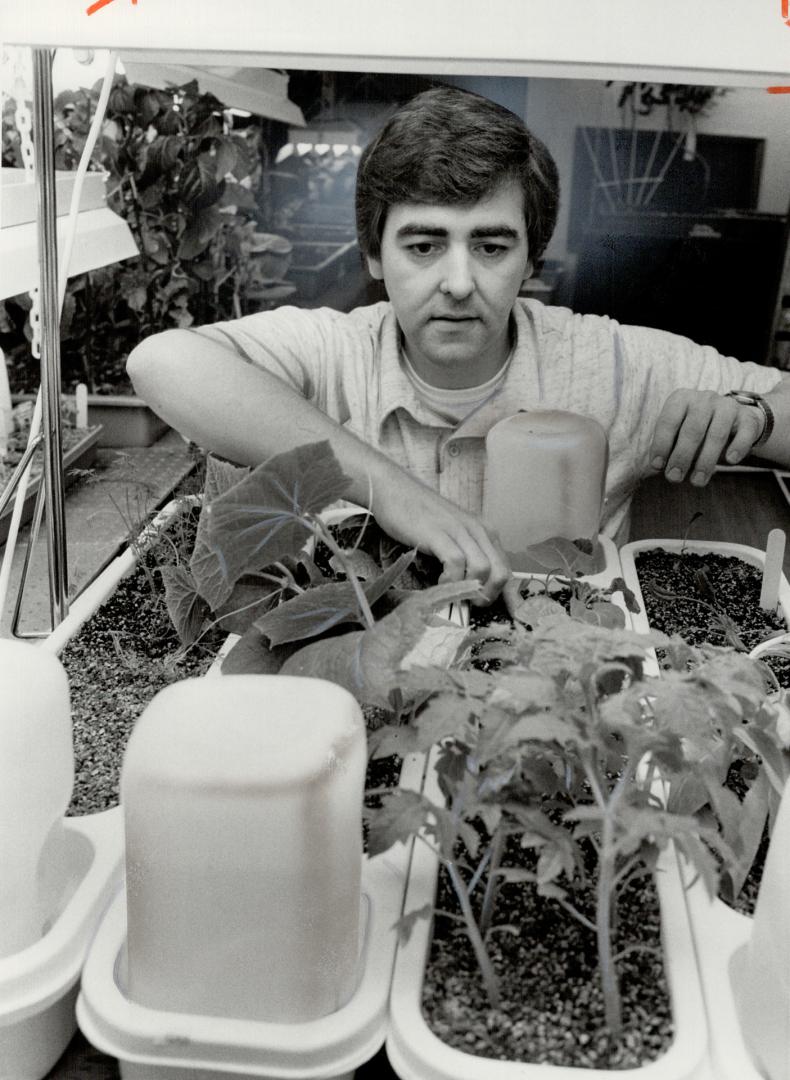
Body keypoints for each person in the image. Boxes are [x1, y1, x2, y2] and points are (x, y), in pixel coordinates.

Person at [128, 86, 790, 603]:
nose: (457, 282)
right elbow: (161, 362)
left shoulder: (611, 362)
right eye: (423, 245)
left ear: (532, 260)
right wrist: (388, 488)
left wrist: (750, 412)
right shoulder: (335, 349)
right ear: (374, 255)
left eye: (492, 246)